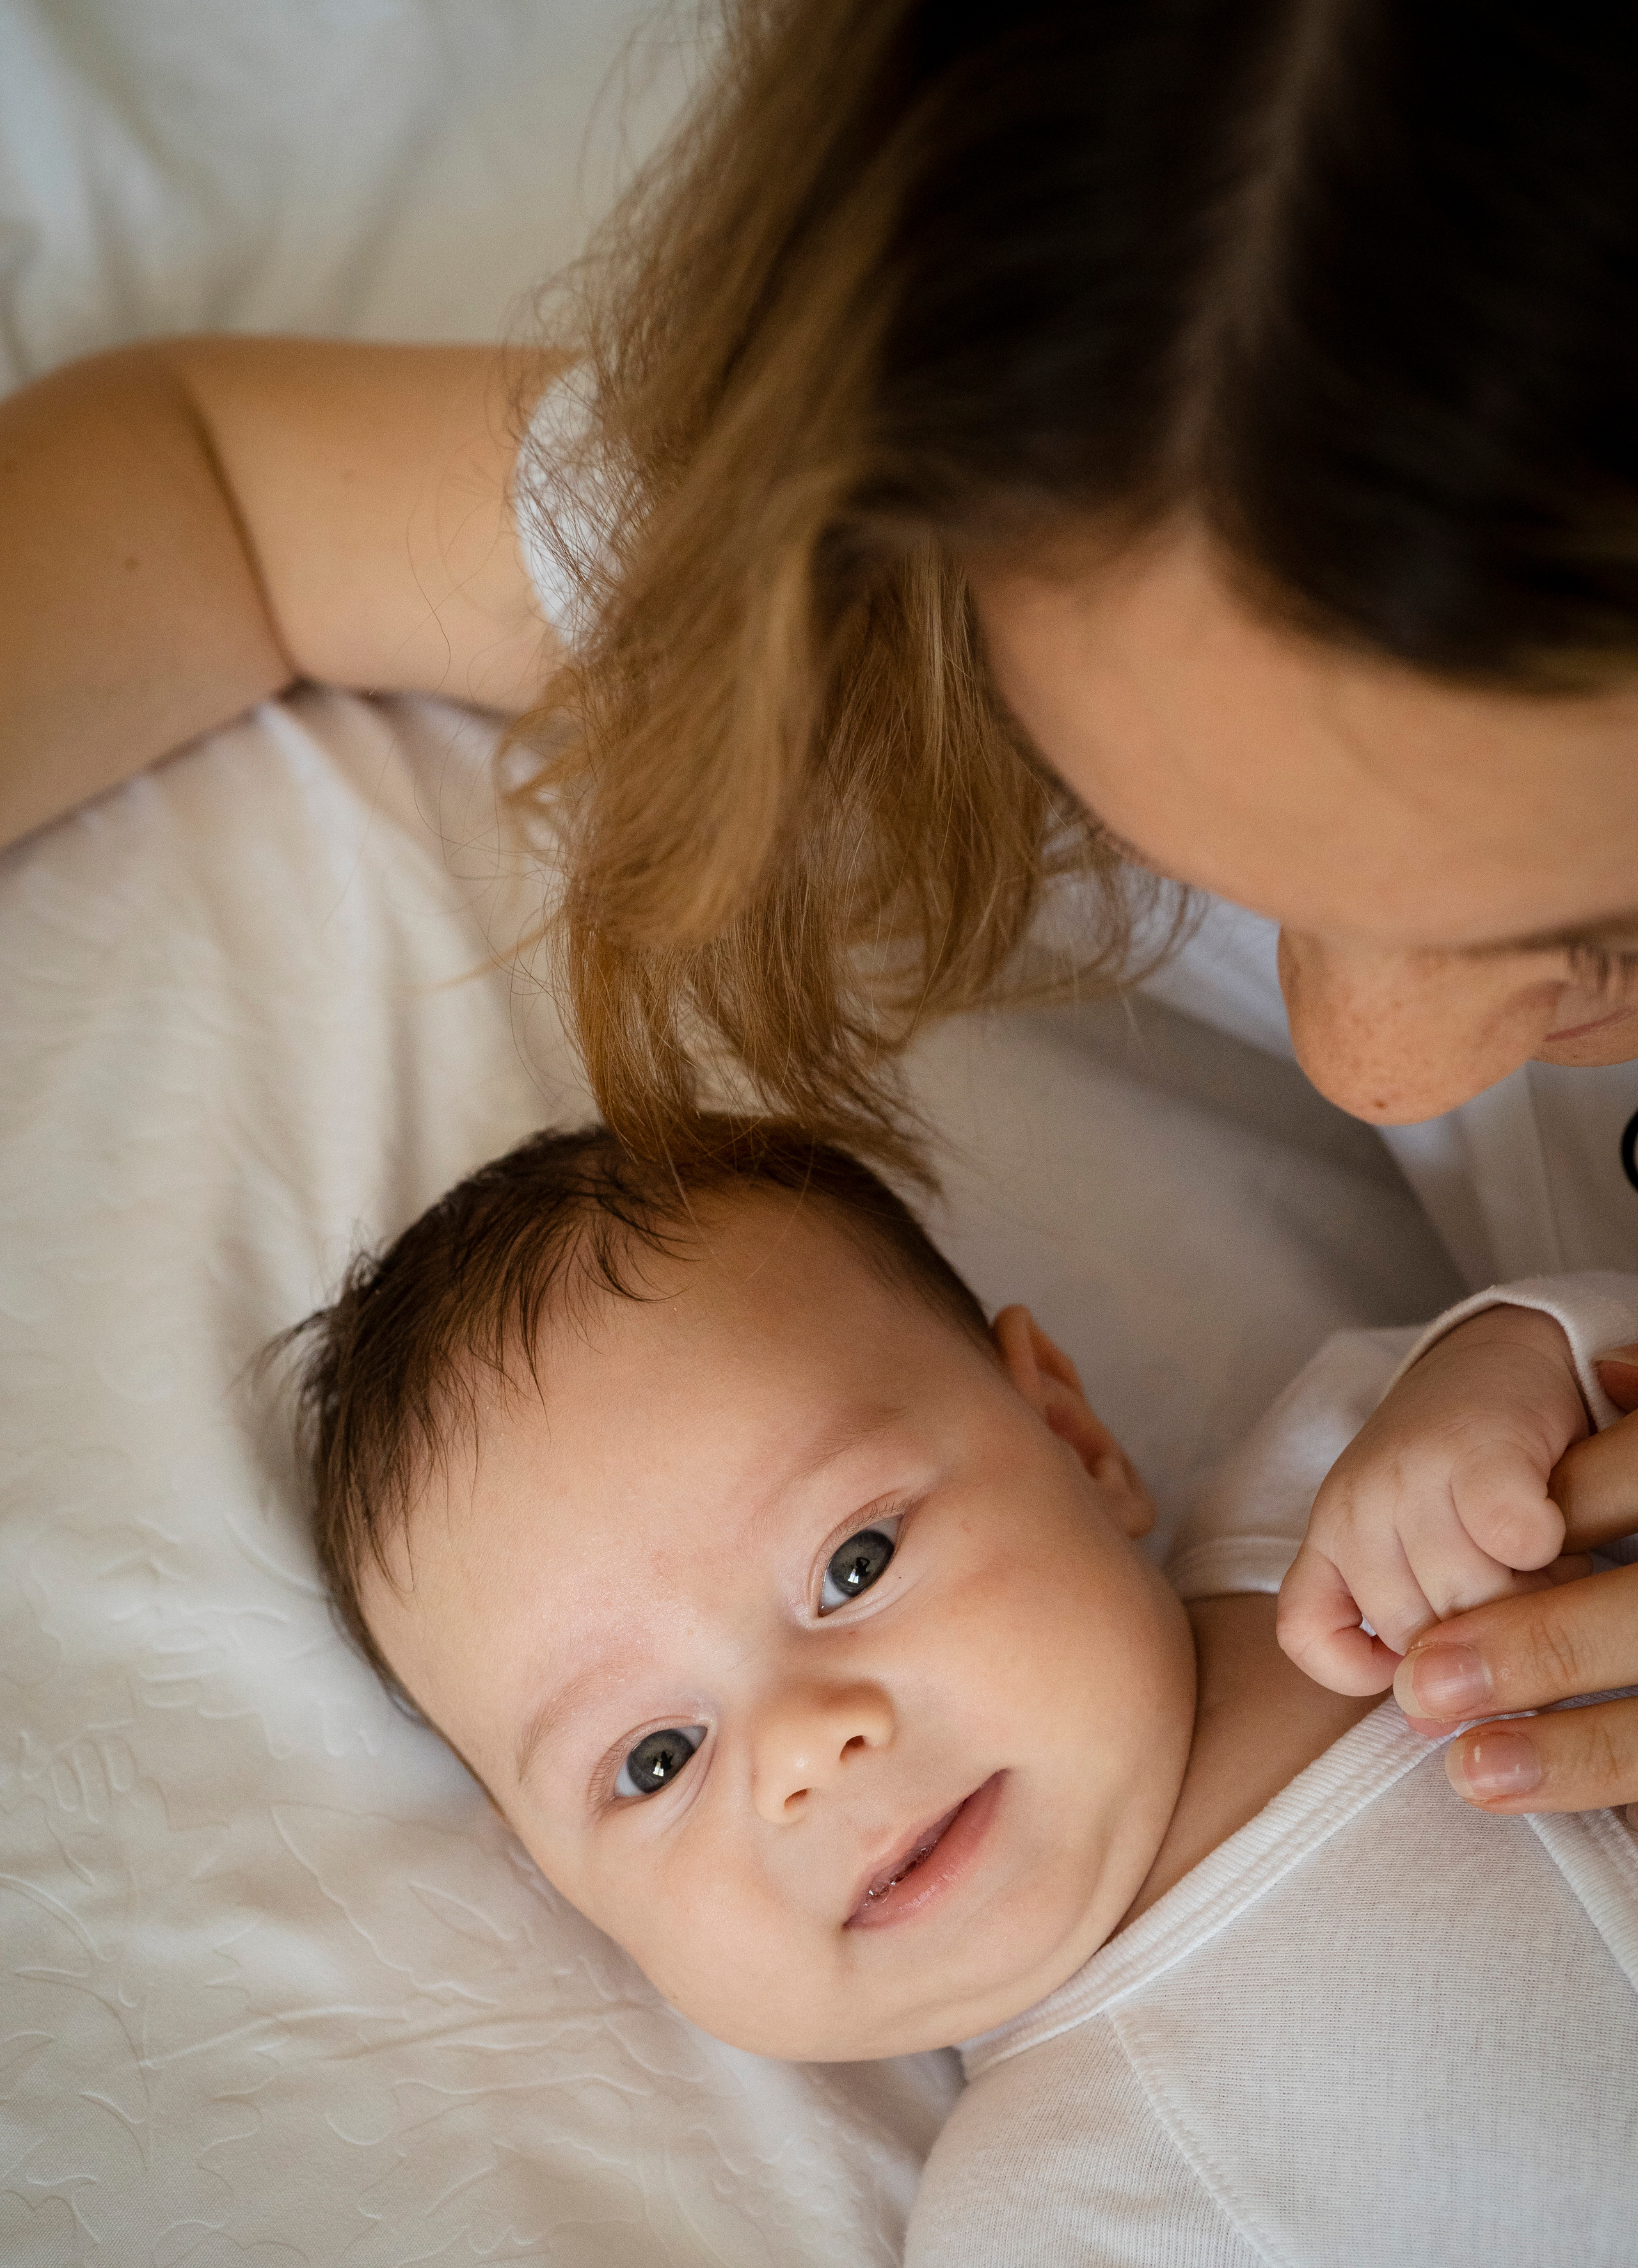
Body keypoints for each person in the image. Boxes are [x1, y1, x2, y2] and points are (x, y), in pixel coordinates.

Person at [6, 0, 1638, 1815]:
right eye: (1233, 872)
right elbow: (227, 493)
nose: (1374, 1066)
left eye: (1612, 936)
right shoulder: (1122, 442)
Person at [278, 1117, 1637, 2268]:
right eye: (654, 1760)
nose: (809, 1750)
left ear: (1070, 1435)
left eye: (854, 1562)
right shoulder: (1045, 2264)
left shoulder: (1347, 1487)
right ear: (566, 1894)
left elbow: (1592, 1348)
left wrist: (1507, 1363)